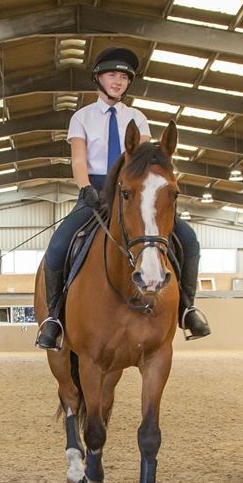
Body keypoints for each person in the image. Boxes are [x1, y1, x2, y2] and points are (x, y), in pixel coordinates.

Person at [32, 46, 211, 351]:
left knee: (189, 240)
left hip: (134, 193)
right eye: (112, 75)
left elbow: (144, 158)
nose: (118, 81)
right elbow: (78, 159)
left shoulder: (137, 117)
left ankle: (188, 309)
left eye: (124, 77)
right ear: (98, 79)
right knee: (59, 244)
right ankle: (53, 318)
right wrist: (86, 188)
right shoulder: (82, 117)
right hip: (96, 191)